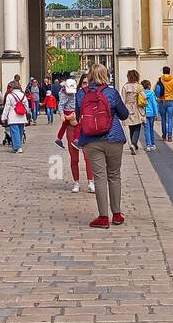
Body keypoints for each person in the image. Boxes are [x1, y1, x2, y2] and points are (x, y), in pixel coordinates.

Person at [75, 64, 131, 228]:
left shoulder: (81, 93)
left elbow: (79, 116)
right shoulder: (111, 92)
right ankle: (117, 214)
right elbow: (124, 114)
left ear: (90, 75)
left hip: (91, 140)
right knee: (114, 175)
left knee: (99, 177)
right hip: (113, 138)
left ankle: (103, 217)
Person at [56, 75, 94, 193]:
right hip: (71, 129)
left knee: (88, 158)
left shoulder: (92, 95)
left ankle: (90, 182)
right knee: (74, 158)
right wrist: (68, 116)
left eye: (88, 83)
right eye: (84, 83)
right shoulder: (75, 95)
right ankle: (76, 182)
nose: (86, 86)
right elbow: (62, 108)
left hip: (86, 129)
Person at [121, 69, 146, 156]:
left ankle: (133, 143)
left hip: (128, 108)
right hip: (137, 107)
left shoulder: (125, 87)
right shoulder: (139, 86)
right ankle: (134, 144)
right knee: (137, 126)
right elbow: (145, 97)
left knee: (131, 127)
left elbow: (123, 100)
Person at [3, 80, 28, 153]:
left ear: (12, 88)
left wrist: (4, 117)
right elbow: (26, 106)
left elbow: (7, 107)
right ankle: (17, 145)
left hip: (13, 116)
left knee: (14, 132)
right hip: (22, 115)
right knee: (20, 132)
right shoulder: (23, 95)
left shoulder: (10, 95)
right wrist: (27, 113)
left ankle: (17, 147)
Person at [157, 65, 173, 142]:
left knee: (163, 118)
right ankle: (169, 136)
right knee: (170, 118)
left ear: (163, 71)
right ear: (169, 72)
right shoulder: (172, 80)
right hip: (170, 101)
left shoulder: (160, 79)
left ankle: (164, 135)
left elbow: (155, 89)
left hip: (162, 101)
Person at [142, 79, 159, 151]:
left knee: (146, 129)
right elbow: (154, 104)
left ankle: (148, 145)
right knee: (151, 129)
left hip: (144, 113)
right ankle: (153, 144)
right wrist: (156, 113)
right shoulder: (152, 94)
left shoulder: (141, 94)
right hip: (151, 113)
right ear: (149, 86)